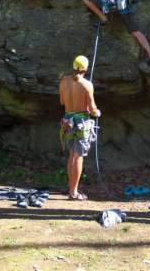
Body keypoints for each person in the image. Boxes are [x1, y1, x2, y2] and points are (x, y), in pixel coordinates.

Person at [59, 55, 101, 201]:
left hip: (68, 121)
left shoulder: (63, 81)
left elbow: (62, 101)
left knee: (72, 155)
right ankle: (73, 192)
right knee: (78, 157)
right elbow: (92, 108)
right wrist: (97, 112)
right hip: (82, 123)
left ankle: (71, 188)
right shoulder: (86, 85)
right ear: (86, 68)